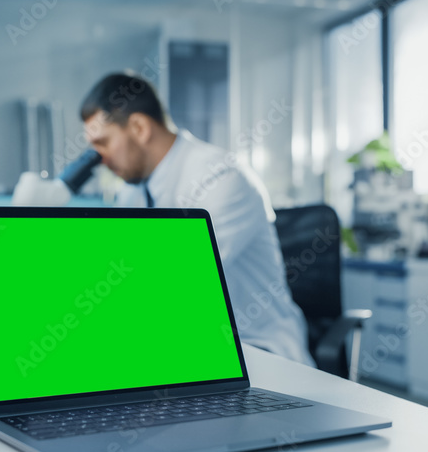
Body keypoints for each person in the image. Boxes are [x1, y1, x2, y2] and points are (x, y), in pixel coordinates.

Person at [80, 73, 314, 367]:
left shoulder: (221, 177)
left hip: (257, 351)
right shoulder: (132, 193)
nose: (99, 159)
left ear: (139, 127)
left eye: (103, 143)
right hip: (187, 349)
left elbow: (171, 282)